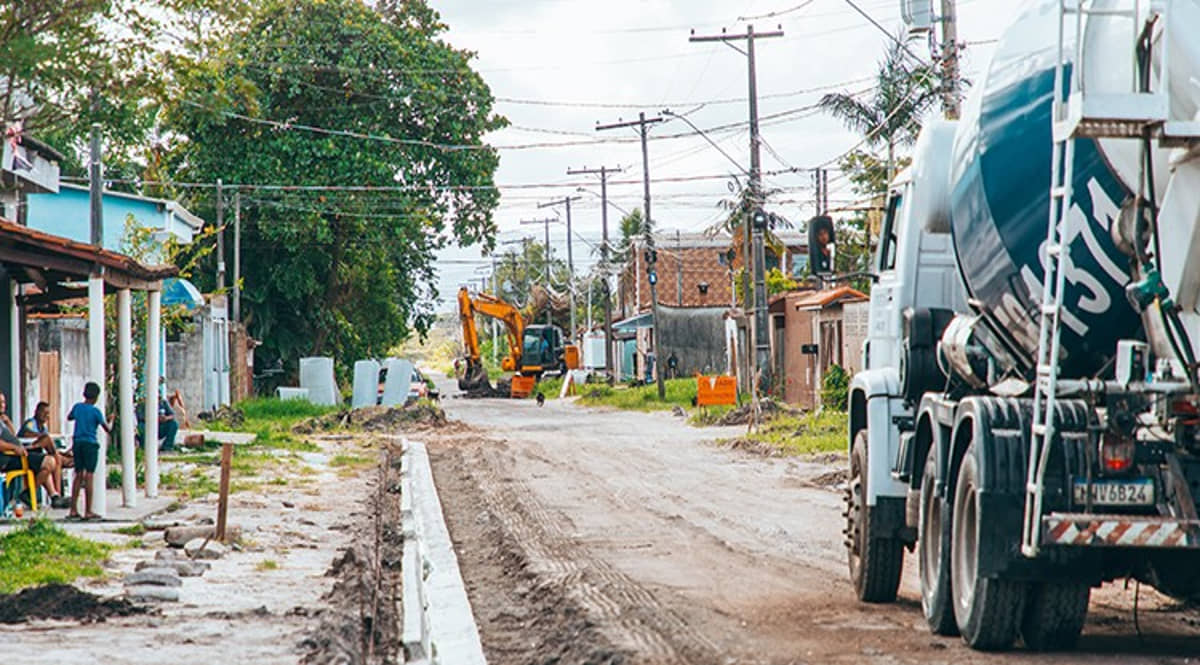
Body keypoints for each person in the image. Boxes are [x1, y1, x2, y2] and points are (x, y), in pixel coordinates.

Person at [0, 392, 62, 508]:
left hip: (18, 454)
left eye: (3, 402)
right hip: (9, 458)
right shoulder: (30, 424)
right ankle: (28, 493)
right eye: (0, 402)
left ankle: (54, 496)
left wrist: (8, 422)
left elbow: (13, 436)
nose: (3, 405)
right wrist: (15, 448)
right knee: (49, 462)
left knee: (46, 463)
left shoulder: (1, 421)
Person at [67, 382, 113, 520]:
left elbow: (70, 417)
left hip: (77, 443)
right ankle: (88, 510)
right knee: (89, 476)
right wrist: (111, 420)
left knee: (78, 474)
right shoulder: (96, 412)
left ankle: (73, 509)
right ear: (96, 397)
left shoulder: (77, 407)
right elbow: (107, 429)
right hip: (90, 444)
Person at [18, 401, 72, 505]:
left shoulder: (44, 427)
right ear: (37, 412)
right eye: (44, 412)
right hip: (25, 454)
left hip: (37, 455)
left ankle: (55, 496)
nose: (46, 415)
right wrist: (41, 436)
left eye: (48, 413)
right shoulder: (31, 423)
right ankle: (57, 495)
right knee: (52, 450)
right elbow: (26, 433)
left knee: (54, 461)